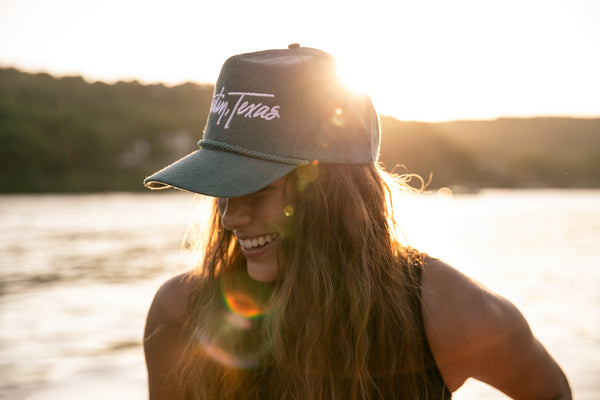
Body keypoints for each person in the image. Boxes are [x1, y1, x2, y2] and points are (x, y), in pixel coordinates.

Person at [142, 44, 571, 399]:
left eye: (258, 190)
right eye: (222, 189)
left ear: (335, 197)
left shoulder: (446, 310)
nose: (232, 216)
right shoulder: (180, 311)